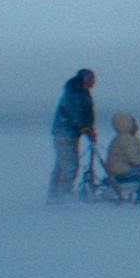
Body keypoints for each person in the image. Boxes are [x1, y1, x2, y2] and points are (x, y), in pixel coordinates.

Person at [48, 69, 98, 202]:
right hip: (64, 134)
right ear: (84, 79)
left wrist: (90, 129)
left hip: (72, 135)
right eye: (90, 80)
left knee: (62, 166)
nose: (93, 83)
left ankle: (54, 194)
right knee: (70, 166)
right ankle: (63, 196)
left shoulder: (84, 93)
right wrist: (85, 128)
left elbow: (88, 114)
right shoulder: (72, 94)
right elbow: (73, 114)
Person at [104, 112, 140, 193]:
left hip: (117, 171)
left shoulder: (122, 137)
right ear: (127, 124)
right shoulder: (126, 139)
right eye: (133, 122)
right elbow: (135, 160)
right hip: (122, 173)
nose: (135, 125)